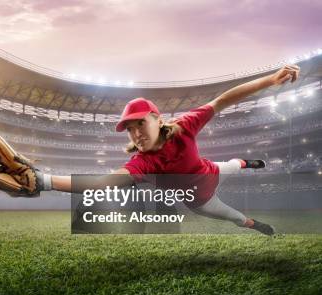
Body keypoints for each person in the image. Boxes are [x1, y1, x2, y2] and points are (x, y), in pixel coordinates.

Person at [39, 64, 300, 235]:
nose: (136, 133)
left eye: (140, 123)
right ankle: (257, 225)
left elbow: (222, 100)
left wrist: (270, 80)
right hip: (202, 202)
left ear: (157, 119)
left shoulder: (184, 125)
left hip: (212, 171)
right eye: (129, 129)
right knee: (234, 217)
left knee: (234, 164)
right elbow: (101, 183)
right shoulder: (143, 163)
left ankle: (249, 163)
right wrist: (46, 181)